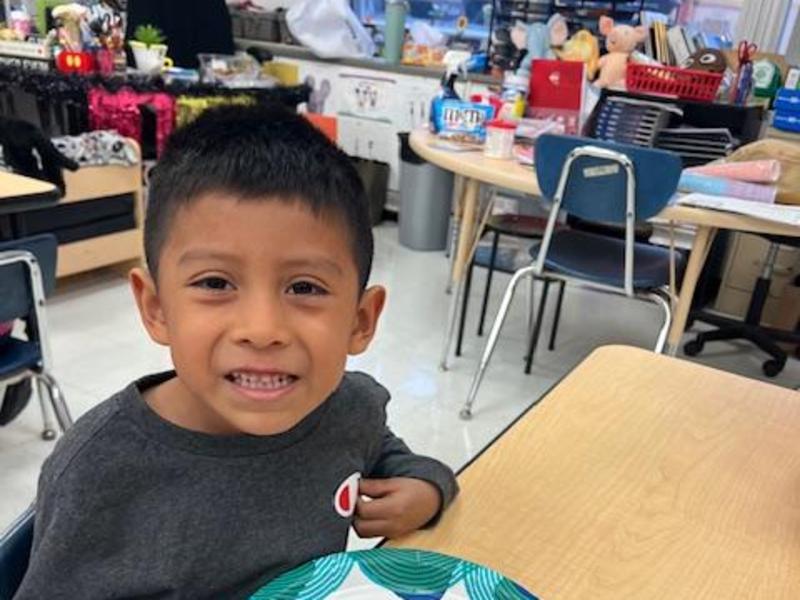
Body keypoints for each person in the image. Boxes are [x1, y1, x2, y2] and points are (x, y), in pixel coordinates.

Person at [15, 105, 458, 599]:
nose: (263, 330)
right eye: (215, 283)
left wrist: (427, 489)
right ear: (157, 308)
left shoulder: (348, 408)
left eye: (305, 288)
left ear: (360, 320)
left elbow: (393, 457)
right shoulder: (100, 471)